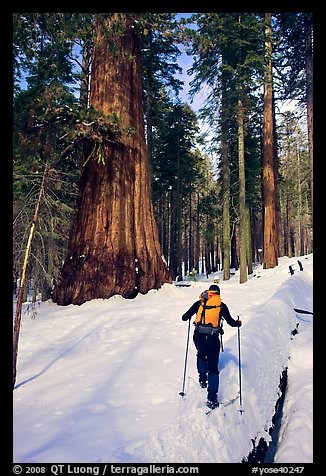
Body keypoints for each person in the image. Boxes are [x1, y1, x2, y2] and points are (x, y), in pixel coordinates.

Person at [181, 284, 242, 410]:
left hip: (198, 337)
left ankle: (203, 379)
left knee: (201, 354)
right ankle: (212, 398)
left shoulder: (200, 303)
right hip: (213, 339)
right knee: (213, 368)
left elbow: (184, 317)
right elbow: (230, 322)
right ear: (218, 293)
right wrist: (238, 323)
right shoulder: (221, 305)